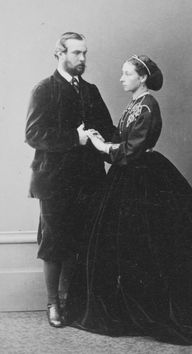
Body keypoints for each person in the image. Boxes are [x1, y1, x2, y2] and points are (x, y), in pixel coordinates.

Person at [65, 54, 192, 346]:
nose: (121, 78)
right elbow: (121, 140)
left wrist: (101, 145)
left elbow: (132, 151)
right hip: (126, 177)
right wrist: (100, 139)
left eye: (127, 73)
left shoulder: (148, 105)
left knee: (150, 240)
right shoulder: (134, 104)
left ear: (142, 78)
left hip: (142, 175)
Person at [25, 32, 115, 327]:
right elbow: (33, 134)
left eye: (85, 53)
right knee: (53, 242)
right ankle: (53, 304)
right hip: (54, 182)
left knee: (80, 241)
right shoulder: (44, 90)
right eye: (77, 53)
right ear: (59, 54)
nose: (83, 59)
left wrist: (131, 144)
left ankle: (69, 303)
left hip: (88, 181)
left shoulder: (91, 90)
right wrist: (73, 138)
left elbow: (107, 129)